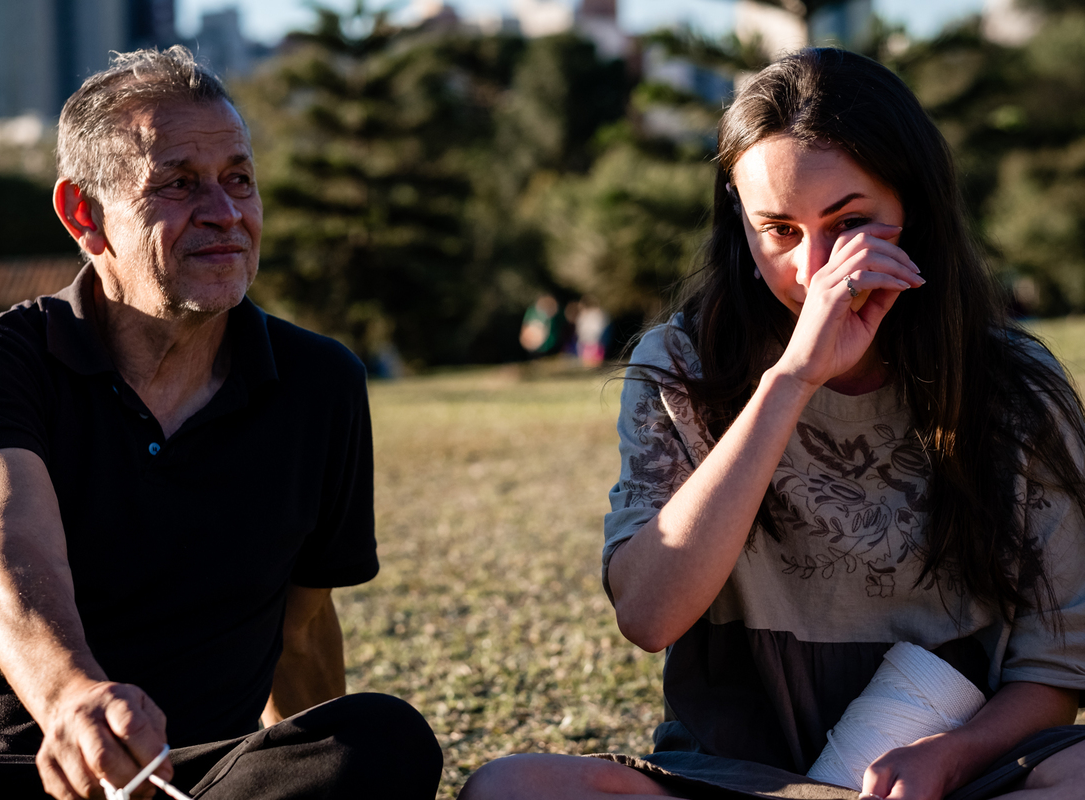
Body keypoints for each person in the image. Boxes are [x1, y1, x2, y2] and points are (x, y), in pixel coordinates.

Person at [462, 48, 1085, 800]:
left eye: (850, 223)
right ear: (741, 220)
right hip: (735, 779)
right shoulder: (682, 366)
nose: (814, 270)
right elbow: (649, 617)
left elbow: (1056, 669)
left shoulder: (1013, 386)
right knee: (512, 788)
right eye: (780, 230)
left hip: (951, 779)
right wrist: (790, 380)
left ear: (913, 209)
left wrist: (953, 755)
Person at [0, 47, 442, 800]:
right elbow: (11, 551)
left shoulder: (320, 384)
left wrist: (325, 770)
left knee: (379, 737)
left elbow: (302, 629)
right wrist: (74, 700)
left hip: (186, 779)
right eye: (178, 184)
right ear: (85, 215)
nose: (225, 213)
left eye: (238, 179)